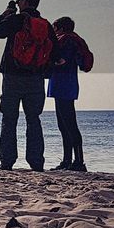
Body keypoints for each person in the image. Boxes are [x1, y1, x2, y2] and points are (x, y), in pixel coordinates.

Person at [0, 0, 58, 171]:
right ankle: (36, 162)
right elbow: (55, 53)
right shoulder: (45, 25)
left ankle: (7, 161)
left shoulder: (17, 20)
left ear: (24, 2)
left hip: (12, 76)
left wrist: (5, 14)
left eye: (19, 1)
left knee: (9, 119)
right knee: (34, 119)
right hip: (35, 78)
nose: (18, 3)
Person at [48, 16, 94, 172]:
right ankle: (69, 160)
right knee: (64, 125)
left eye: (54, 28)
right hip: (66, 85)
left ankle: (78, 161)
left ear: (60, 28)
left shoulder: (67, 41)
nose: (53, 31)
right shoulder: (71, 40)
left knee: (69, 124)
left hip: (63, 85)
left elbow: (60, 61)